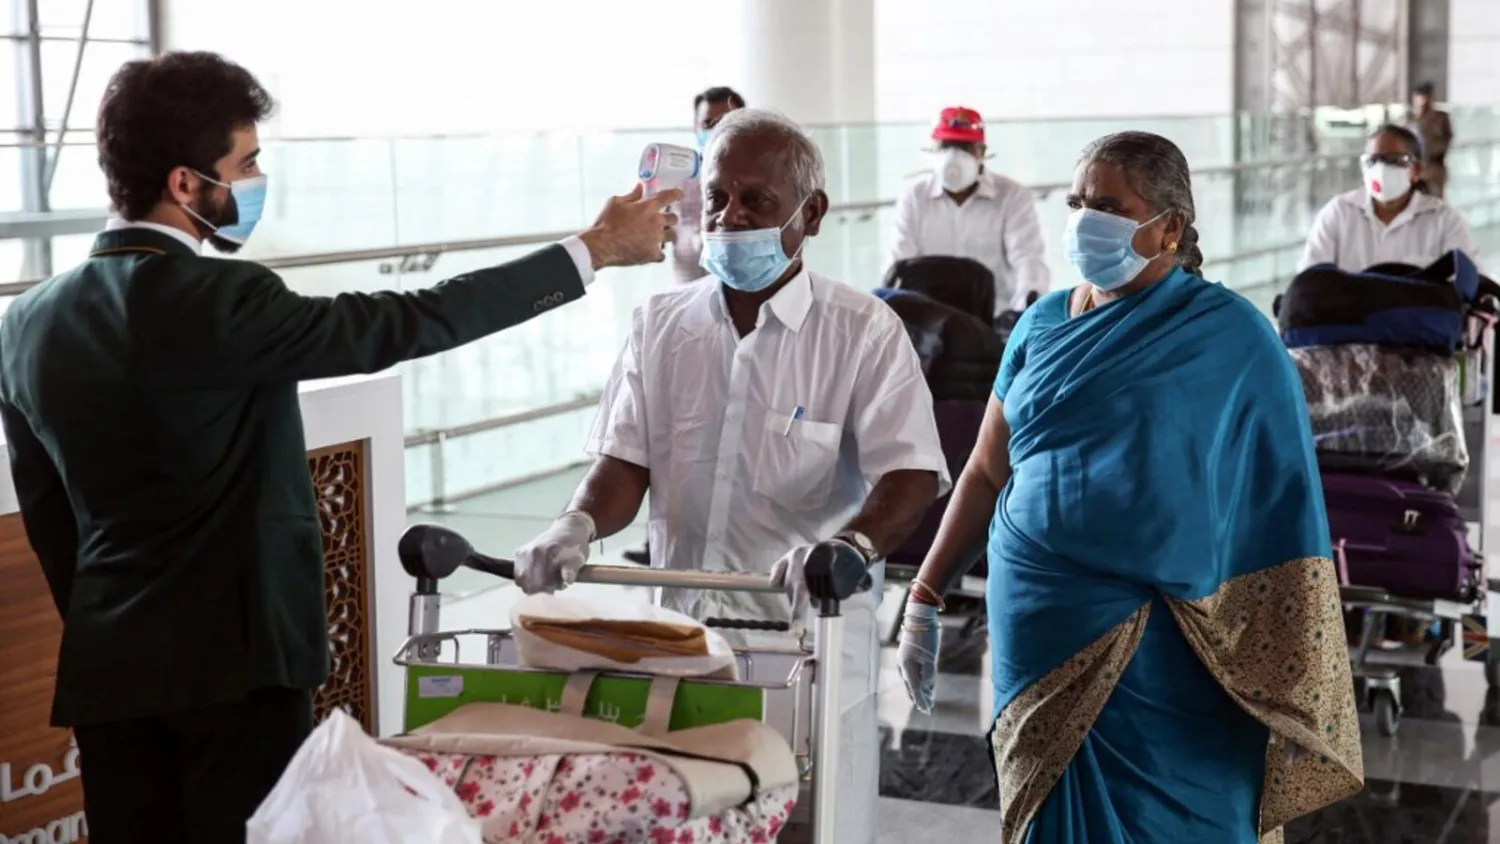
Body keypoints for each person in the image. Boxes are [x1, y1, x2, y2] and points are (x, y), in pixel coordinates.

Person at [0, 51, 678, 844]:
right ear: (185, 184)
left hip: (111, 673)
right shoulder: (222, 298)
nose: (257, 179)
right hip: (241, 670)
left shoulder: (25, 324)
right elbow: (407, 319)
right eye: (245, 163)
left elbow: (53, 523)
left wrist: (111, 624)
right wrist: (589, 249)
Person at [894, 131, 1363, 842]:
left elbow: (1278, 492)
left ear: (1169, 226)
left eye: (1108, 206)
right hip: (1036, 632)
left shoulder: (1231, 336)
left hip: (1169, 646)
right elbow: (988, 469)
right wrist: (925, 598)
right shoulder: (1042, 324)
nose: (1086, 221)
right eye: (1079, 202)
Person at [513, 108, 949, 844]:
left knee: (808, 823)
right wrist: (576, 524)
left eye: (757, 201)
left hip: (807, 641)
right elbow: (624, 463)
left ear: (811, 214)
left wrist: (851, 548)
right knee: (686, 816)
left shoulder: (860, 330)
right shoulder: (661, 323)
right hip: (681, 639)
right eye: (717, 197)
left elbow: (910, 474)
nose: (729, 215)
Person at [889, 106, 1051, 320]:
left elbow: (1028, 261)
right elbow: (899, 265)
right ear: (933, 151)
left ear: (981, 152)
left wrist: (1021, 315)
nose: (953, 157)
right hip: (929, 326)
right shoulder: (914, 199)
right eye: (946, 146)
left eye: (964, 147)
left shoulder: (1012, 197)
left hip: (994, 322)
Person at [1298, 124, 1479, 273]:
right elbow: (1309, 279)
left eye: (1393, 160)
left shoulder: (1444, 220)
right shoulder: (1338, 213)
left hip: (1415, 317)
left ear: (1416, 171)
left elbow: (1472, 282)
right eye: (1372, 161)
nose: (1381, 169)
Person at [670, 85, 747, 283]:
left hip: (742, 294)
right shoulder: (677, 178)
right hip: (688, 291)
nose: (717, 130)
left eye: (726, 122)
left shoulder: (764, 179)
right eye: (708, 123)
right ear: (695, 128)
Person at [1406, 81, 1454, 199]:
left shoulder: (1440, 118)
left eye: (1427, 96)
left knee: (1436, 203)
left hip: (1434, 168)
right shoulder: (1408, 119)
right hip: (1413, 168)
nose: (1424, 100)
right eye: (1420, 96)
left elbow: (1447, 139)